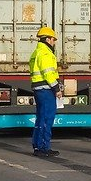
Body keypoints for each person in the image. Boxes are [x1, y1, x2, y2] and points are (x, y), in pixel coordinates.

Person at [29, 25, 61, 158]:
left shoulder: (36, 52)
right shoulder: (46, 53)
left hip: (39, 89)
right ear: (48, 39)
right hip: (46, 90)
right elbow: (48, 74)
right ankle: (43, 147)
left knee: (41, 118)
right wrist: (57, 88)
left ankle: (38, 146)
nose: (54, 42)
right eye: (53, 40)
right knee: (47, 118)